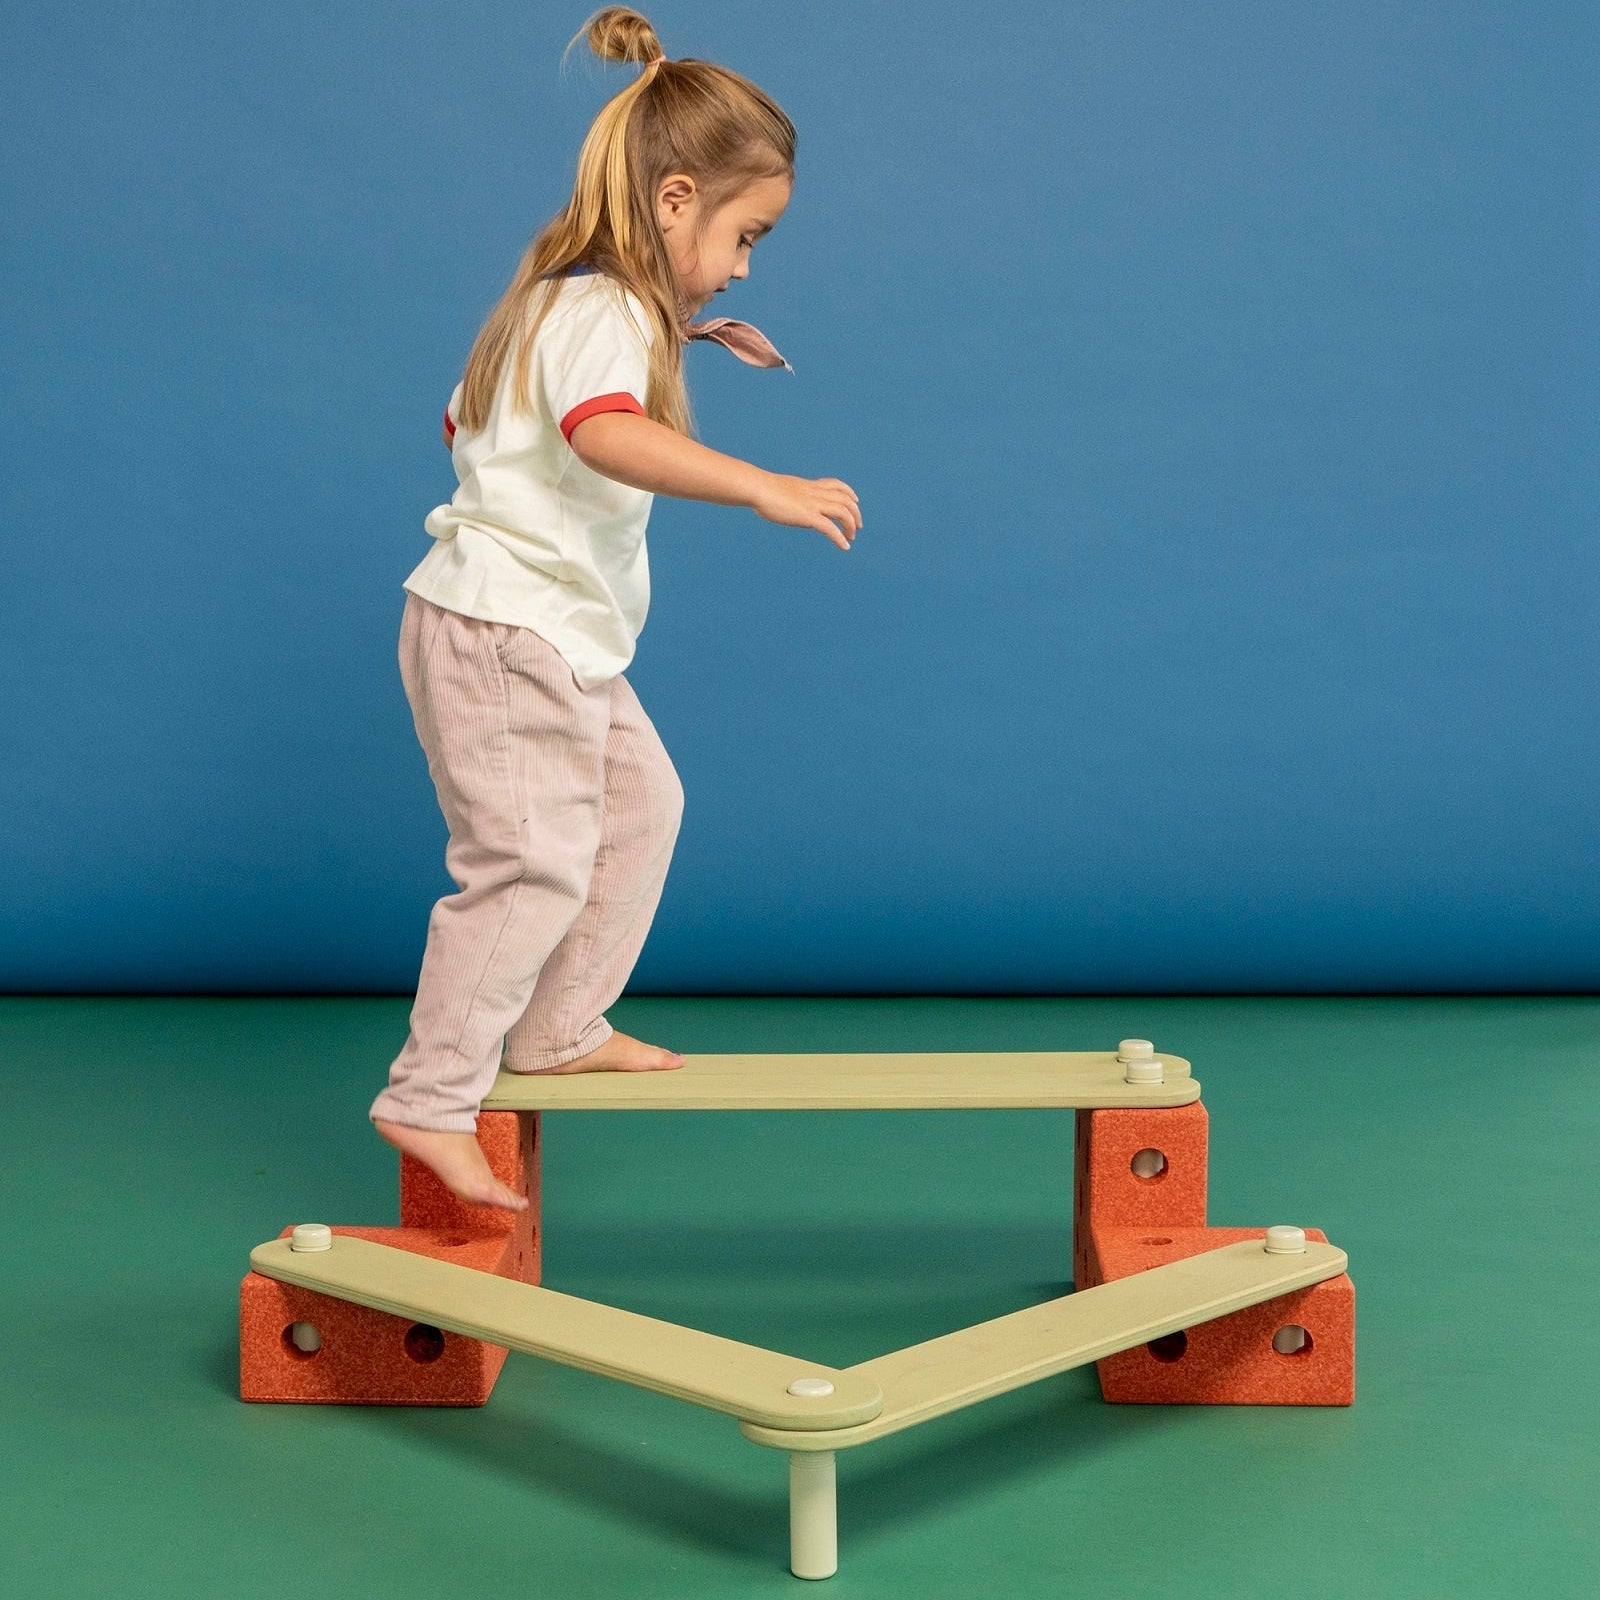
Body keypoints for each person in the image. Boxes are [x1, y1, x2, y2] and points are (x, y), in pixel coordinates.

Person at [369, 6, 862, 1211]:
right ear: (676, 199)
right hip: (507, 633)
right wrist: (762, 484)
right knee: (528, 866)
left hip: (547, 634)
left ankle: (556, 1027)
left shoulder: (546, 300)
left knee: (640, 808)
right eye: (745, 236)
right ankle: (430, 1095)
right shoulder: (603, 309)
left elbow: (463, 421)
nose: (743, 268)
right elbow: (602, 433)